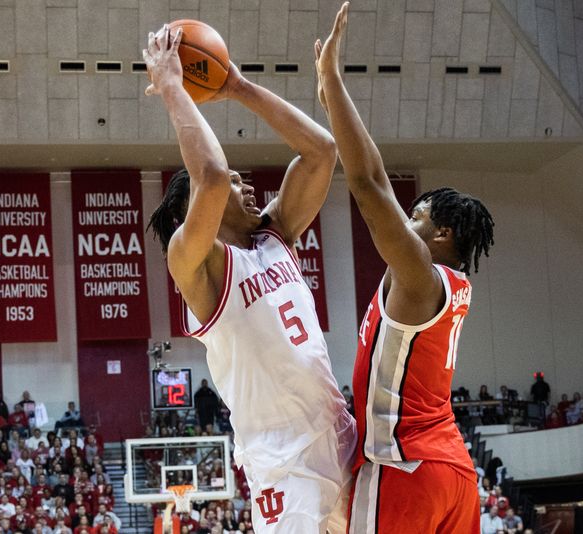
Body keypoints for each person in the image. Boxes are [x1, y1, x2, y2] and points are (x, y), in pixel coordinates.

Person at [144, 24, 354, 533]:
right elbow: (212, 176)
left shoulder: (275, 234)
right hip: (283, 462)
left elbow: (322, 151)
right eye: (241, 183)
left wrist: (238, 86)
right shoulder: (195, 263)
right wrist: (173, 85)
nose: (247, 184)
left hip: (341, 434)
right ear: (198, 211)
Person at [315, 4, 494, 533]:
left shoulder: (419, 275)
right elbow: (377, 178)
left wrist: (333, 80)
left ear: (443, 235)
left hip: (405, 463)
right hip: (454, 472)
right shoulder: (450, 285)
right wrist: (333, 100)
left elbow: (369, 185)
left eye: (416, 216)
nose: (404, 218)